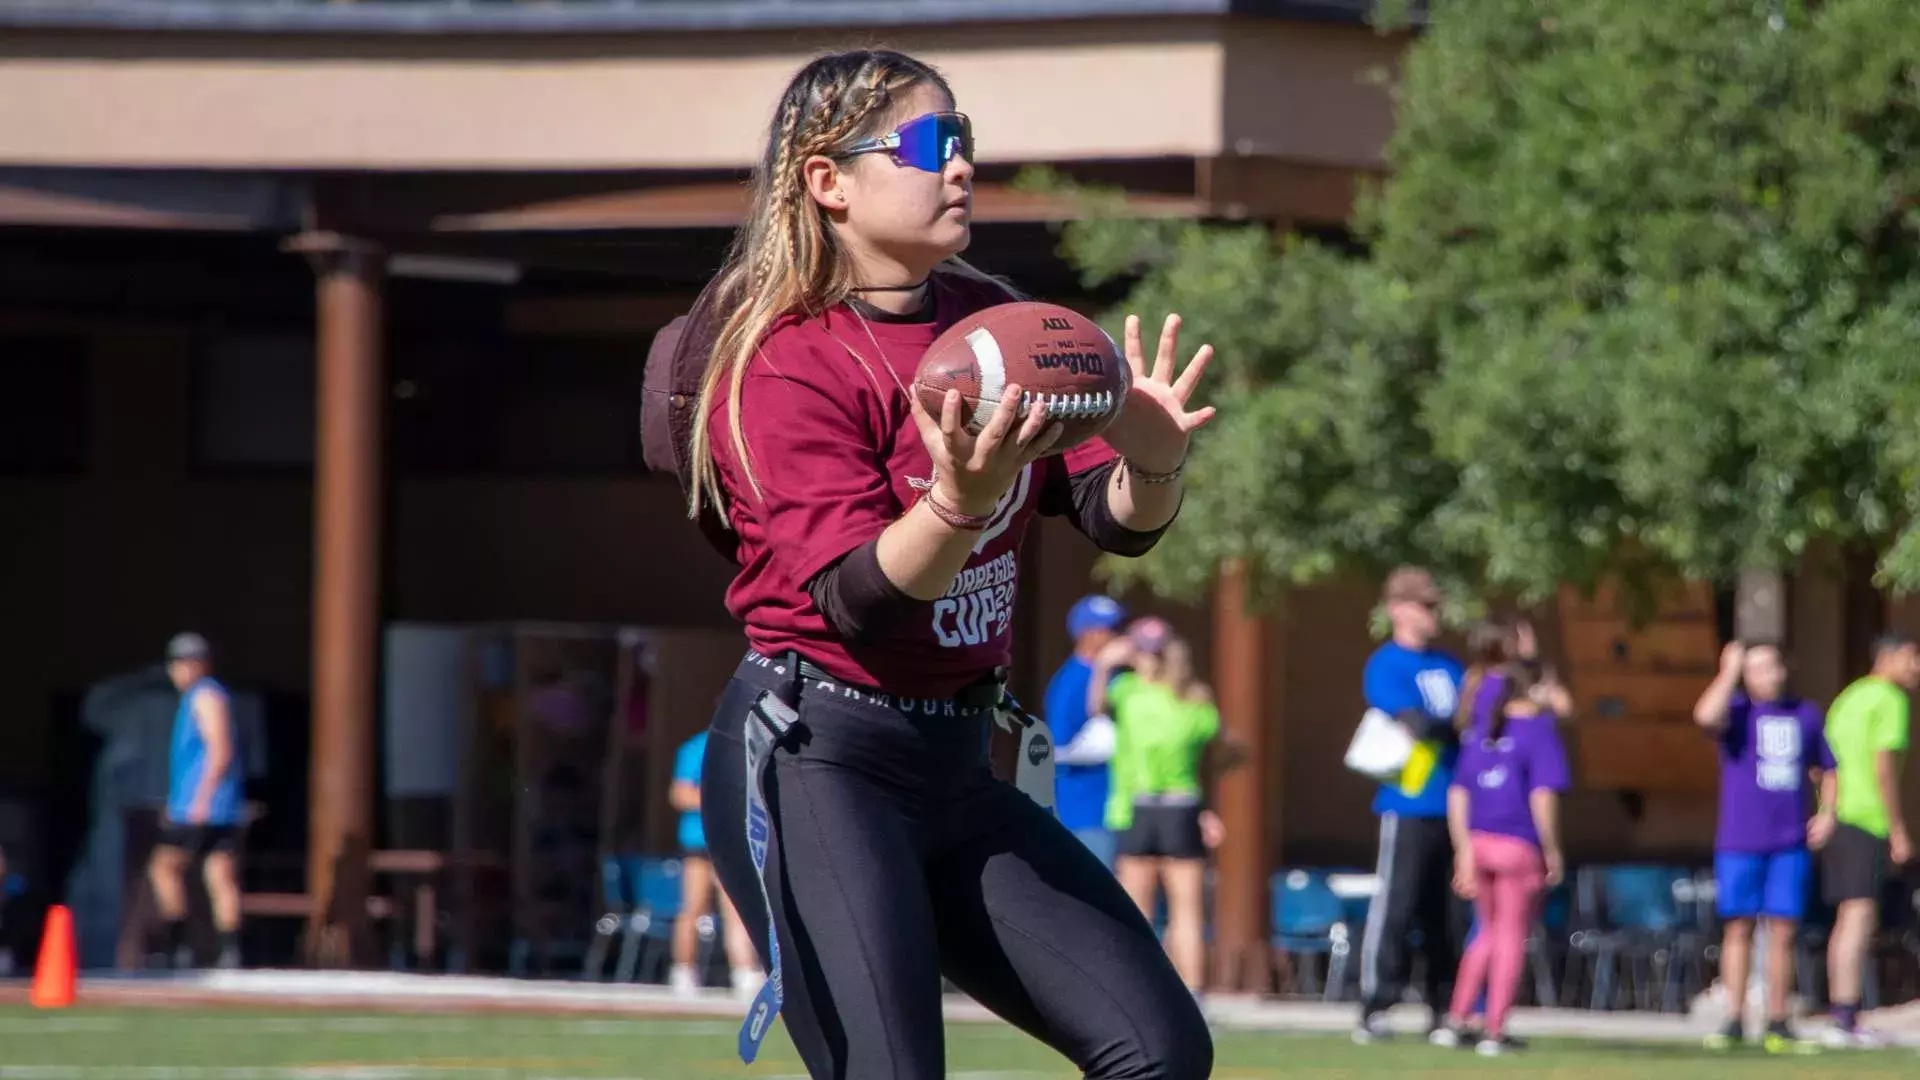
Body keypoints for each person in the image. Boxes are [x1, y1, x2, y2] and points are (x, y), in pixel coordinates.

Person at [684, 49, 1217, 1080]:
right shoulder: (784, 357)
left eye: (964, 135)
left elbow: (1119, 521)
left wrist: (1156, 463)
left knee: (1158, 1051)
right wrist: (955, 507)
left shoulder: (991, 321)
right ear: (828, 182)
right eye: (931, 144)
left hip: (961, 764)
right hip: (820, 759)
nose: (962, 164)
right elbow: (861, 604)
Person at [1692, 641, 1833, 1054]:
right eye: (1759, 668)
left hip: (1788, 843)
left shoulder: (1805, 714)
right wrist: (1728, 671)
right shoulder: (1735, 714)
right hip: (1739, 841)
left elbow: (1827, 768)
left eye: (1773, 666)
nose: (1770, 674)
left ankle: (1778, 1020)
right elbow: (1703, 716)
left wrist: (1827, 813)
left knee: (1783, 931)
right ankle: (1734, 1019)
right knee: (1737, 928)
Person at [1356, 566, 1468, 1043]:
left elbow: (1472, 718)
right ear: (1397, 609)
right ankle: (1376, 1005)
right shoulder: (1387, 664)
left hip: (1454, 806)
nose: (1433, 614)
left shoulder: (1449, 665)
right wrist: (1451, 723)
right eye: (1424, 605)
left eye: (1435, 605)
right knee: (1396, 908)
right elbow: (1415, 721)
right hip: (1407, 802)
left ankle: (1444, 1006)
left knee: (1447, 916)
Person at [1434, 663, 1568, 1056]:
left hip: (1479, 840)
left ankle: (1457, 1019)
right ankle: (1494, 1029)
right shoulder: (1539, 731)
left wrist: (1462, 849)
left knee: (1486, 933)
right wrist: (1552, 848)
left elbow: (1458, 793)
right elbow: (1543, 795)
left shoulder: (1480, 734)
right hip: (1518, 844)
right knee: (1510, 935)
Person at [1089, 617, 1225, 992]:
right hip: (1182, 807)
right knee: (1187, 913)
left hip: (1138, 807)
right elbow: (1219, 752)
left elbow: (1095, 707)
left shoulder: (1128, 692)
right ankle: (1194, 994)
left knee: (1138, 910)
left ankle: (1140, 990)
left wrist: (1103, 664)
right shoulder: (1194, 700)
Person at [1819, 632, 1917, 1049]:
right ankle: (1843, 1016)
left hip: (1840, 818)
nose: (1916, 669)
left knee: (1849, 916)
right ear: (1890, 658)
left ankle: (1845, 1013)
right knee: (1858, 916)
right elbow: (1883, 769)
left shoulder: (1848, 697)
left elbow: (1824, 764)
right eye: (1914, 658)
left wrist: (1826, 809)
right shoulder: (1890, 701)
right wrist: (1898, 829)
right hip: (1867, 819)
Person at [146, 632, 244, 970]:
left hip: (200, 806)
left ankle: (179, 943)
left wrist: (200, 798)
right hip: (216, 803)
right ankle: (228, 950)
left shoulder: (204, 697)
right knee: (219, 874)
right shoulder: (205, 697)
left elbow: (220, 750)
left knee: (164, 868)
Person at [666, 729, 764, 1000]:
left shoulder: (748, 744)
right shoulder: (697, 747)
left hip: (731, 839)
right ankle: (683, 970)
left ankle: (744, 972)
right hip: (699, 840)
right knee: (694, 906)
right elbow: (680, 793)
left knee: (736, 908)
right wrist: (721, 801)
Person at [1044, 594, 1129, 869]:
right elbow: (1059, 747)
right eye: (1109, 629)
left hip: (1115, 807)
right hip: (1084, 809)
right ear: (1087, 634)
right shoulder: (1071, 681)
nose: (1118, 636)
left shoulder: (1116, 677)